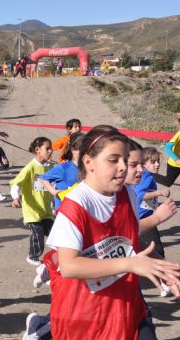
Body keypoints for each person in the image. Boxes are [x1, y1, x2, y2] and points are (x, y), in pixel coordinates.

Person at [43, 125, 180, 339]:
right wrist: (129, 263)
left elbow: (129, 241)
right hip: (84, 315)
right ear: (88, 163)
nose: (123, 167)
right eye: (114, 160)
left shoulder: (127, 194)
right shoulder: (75, 206)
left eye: (126, 159)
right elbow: (69, 266)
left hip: (125, 304)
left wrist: (161, 267)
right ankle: (42, 329)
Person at [10, 137, 54, 266]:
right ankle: (33, 256)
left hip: (46, 210)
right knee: (38, 234)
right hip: (32, 211)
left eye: (51, 148)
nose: (51, 151)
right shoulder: (30, 167)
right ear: (37, 150)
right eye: (48, 148)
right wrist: (15, 197)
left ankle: (62, 257)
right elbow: (16, 184)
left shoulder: (50, 167)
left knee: (55, 233)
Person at [135, 147, 170, 261]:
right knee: (157, 249)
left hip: (142, 215)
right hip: (143, 217)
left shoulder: (146, 174)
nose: (157, 164)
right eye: (153, 162)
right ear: (143, 163)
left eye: (158, 161)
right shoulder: (146, 176)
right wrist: (160, 192)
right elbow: (140, 195)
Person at [41, 133, 84, 210]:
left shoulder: (89, 168)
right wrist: (54, 191)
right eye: (82, 150)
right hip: (64, 211)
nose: (85, 153)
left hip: (80, 209)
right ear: (73, 150)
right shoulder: (64, 167)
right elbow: (44, 178)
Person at [159, 113, 180, 187]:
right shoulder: (179, 134)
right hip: (175, 164)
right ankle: (150, 174)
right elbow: (167, 148)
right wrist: (177, 160)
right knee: (168, 182)